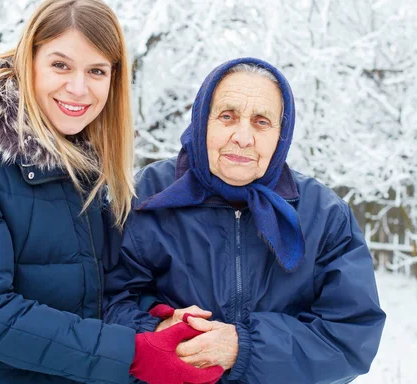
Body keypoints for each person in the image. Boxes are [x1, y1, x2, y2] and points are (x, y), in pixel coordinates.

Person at [0, 0, 223, 384]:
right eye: (61, 65)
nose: (79, 88)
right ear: (28, 61)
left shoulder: (86, 166)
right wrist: (133, 353)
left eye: (97, 71)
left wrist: (154, 319)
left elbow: (96, 287)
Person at [104, 57, 387, 383]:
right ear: (201, 122)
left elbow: (351, 334)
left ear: (281, 134)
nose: (242, 136)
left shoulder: (324, 214)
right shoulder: (144, 196)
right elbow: (104, 302)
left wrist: (244, 346)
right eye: (227, 116)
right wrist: (158, 325)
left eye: (261, 121)